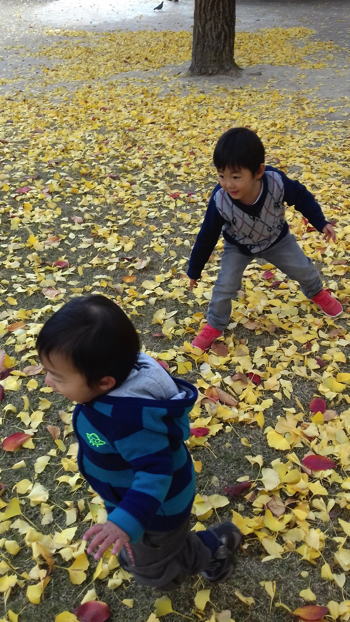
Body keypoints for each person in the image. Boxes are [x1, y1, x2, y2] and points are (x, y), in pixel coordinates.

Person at [36, 295, 241, 590]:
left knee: (153, 568)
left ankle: (210, 549)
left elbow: (156, 473)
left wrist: (125, 522)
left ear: (105, 382)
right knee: (151, 550)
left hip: (157, 510)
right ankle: (193, 544)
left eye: (56, 376)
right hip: (134, 499)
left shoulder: (128, 422)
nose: (47, 382)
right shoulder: (112, 380)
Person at [188, 127, 342, 351]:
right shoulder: (220, 199)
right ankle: (215, 324)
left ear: (258, 171)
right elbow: (207, 235)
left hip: (277, 239)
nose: (228, 184)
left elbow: (301, 197)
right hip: (238, 246)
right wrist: (195, 269)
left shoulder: (276, 182)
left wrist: (321, 222)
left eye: (236, 177)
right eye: (221, 176)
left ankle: (317, 292)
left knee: (304, 269)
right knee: (224, 286)